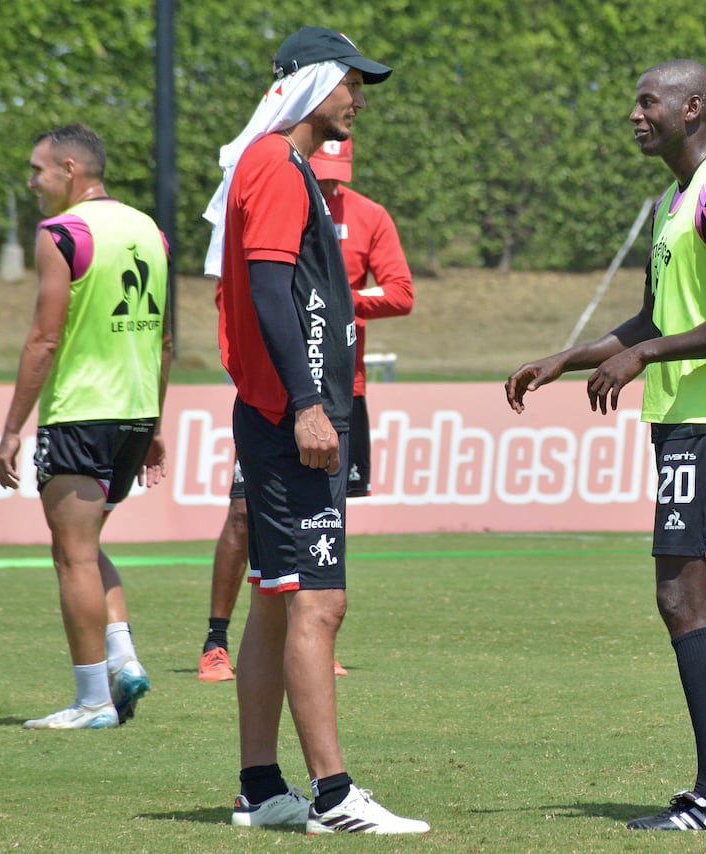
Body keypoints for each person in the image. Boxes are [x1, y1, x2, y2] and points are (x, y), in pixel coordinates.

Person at [504, 59, 706, 832]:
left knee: (681, 599)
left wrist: (644, 359)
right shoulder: (672, 203)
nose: (635, 114)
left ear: (692, 109)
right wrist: (567, 358)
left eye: (648, 101)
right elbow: (656, 319)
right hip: (693, 419)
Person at [203, 25, 428, 835]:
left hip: (281, 414)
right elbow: (269, 292)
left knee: (276, 601)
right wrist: (306, 404)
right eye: (350, 82)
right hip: (289, 418)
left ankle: (261, 789)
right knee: (320, 603)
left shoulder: (275, 162)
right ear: (308, 84)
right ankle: (333, 797)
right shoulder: (275, 164)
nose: (359, 98)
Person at [198, 137, 414, 684]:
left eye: (339, 174)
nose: (330, 182)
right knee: (243, 514)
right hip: (276, 400)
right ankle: (215, 641)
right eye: (323, 170)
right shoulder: (279, 188)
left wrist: (340, 299)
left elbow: (401, 292)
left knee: (324, 520)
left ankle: (311, 640)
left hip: (341, 394)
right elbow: (244, 291)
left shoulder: (369, 215)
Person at [0, 123, 170, 730]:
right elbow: (164, 340)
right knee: (84, 548)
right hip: (134, 414)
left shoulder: (62, 233)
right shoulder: (150, 230)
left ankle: (94, 700)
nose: (32, 182)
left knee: (72, 557)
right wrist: (155, 423)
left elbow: (45, 339)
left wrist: (11, 429)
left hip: (80, 413)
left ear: (69, 169)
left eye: (37, 169)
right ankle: (122, 660)